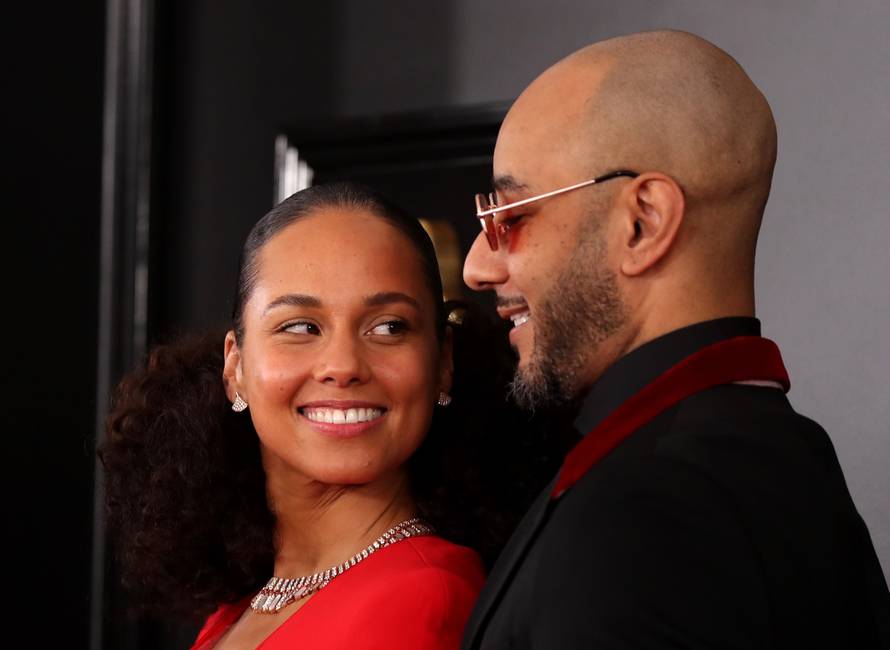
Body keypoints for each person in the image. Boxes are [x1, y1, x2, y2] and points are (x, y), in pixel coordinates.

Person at [461, 30, 890, 649]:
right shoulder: (786, 454)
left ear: (643, 224)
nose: (479, 265)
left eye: (511, 215)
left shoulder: (642, 510)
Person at [100, 182, 571, 649]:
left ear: (443, 362)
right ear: (235, 368)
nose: (343, 366)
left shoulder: (420, 600)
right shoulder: (244, 606)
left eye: (389, 327)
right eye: (300, 326)